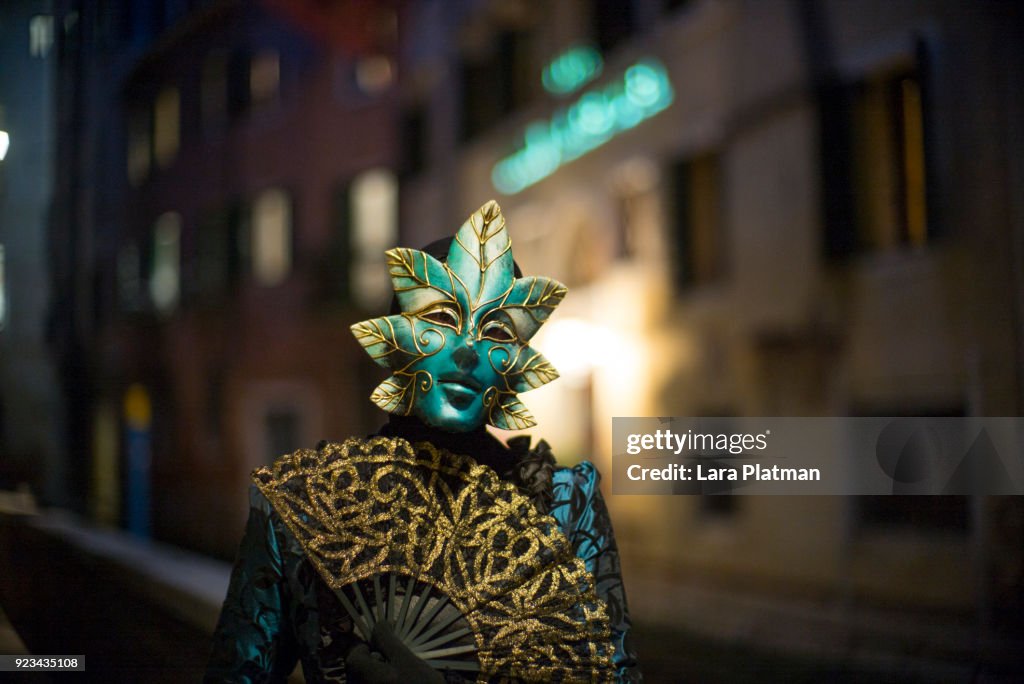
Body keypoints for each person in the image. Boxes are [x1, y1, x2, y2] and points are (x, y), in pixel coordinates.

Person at [205, 200, 641, 683]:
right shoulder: (303, 507)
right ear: (396, 342)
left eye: (496, 331)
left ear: (517, 363)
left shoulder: (564, 506)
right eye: (440, 322)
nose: (469, 353)